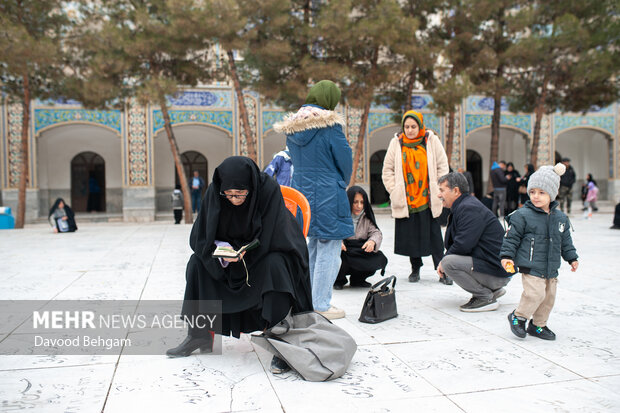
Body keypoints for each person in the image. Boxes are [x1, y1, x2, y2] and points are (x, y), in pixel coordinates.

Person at [166, 156, 313, 375]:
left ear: (251, 188)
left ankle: (280, 342)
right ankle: (198, 334)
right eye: (229, 195)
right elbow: (200, 237)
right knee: (196, 264)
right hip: (228, 262)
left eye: (240, 194)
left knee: (277, 266)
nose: (234, 200)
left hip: (264, 254)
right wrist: (222, 249)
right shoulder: (215, 193)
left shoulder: (268, 190)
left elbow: (277, 232)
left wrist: (247, 252)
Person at [273, 80, 354, 320]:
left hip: (303, 193)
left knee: (314, 245)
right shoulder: (330, 127)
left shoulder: (294, 129)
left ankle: (307, 298)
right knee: (329, 246)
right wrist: (340, 181)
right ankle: (321, 303)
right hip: (329, 192)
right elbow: (345, 161)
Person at [502, 163, 579, 341]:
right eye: (532, 192)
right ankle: (518, 317)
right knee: (535, 294)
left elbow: (566, 241)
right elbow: (511, 238)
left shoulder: (561, 218)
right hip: (530, 265)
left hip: (551, 267)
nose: (536, 196)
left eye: (541, 192)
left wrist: (572, 257)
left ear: (552, 194)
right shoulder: (522, 215)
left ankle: (538, 325)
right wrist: (506, 257)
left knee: (548, 298)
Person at [382, 110, 450, 285]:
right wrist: (394, 189)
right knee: (412, 237)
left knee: (435, 237)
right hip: (407, 200)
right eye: (407, 126)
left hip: (429, 198)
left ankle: (442, 271)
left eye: (413, 126)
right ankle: (415, 269)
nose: (410, 130)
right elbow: (387, 170)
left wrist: (439, 188)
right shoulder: (396, 143)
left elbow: (443, 166)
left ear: (420, 125)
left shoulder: (431, 140)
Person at [436, 173, 511, 312]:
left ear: (456, 191)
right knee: (448, 260)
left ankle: (484, 296)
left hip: (497, 272)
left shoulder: (469, 208)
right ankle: (492, 290)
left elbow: (463, 244)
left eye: (442, 190)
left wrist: (443, 261)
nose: (439, 195)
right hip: (494, 268)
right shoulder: (464, 205)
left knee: (449, 263)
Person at [333, 186, 388, 290]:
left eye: (362, 202)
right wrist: (338, 242)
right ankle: (339, 280)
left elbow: (376, 232)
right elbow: (332, 232)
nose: (359, 206)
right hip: (345, 250)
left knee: (378, 258)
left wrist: (372, 241)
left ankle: (358, 279)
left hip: (358, 249)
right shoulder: (340, 216)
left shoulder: (366, 217)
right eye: (355, 202)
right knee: (340, 258)